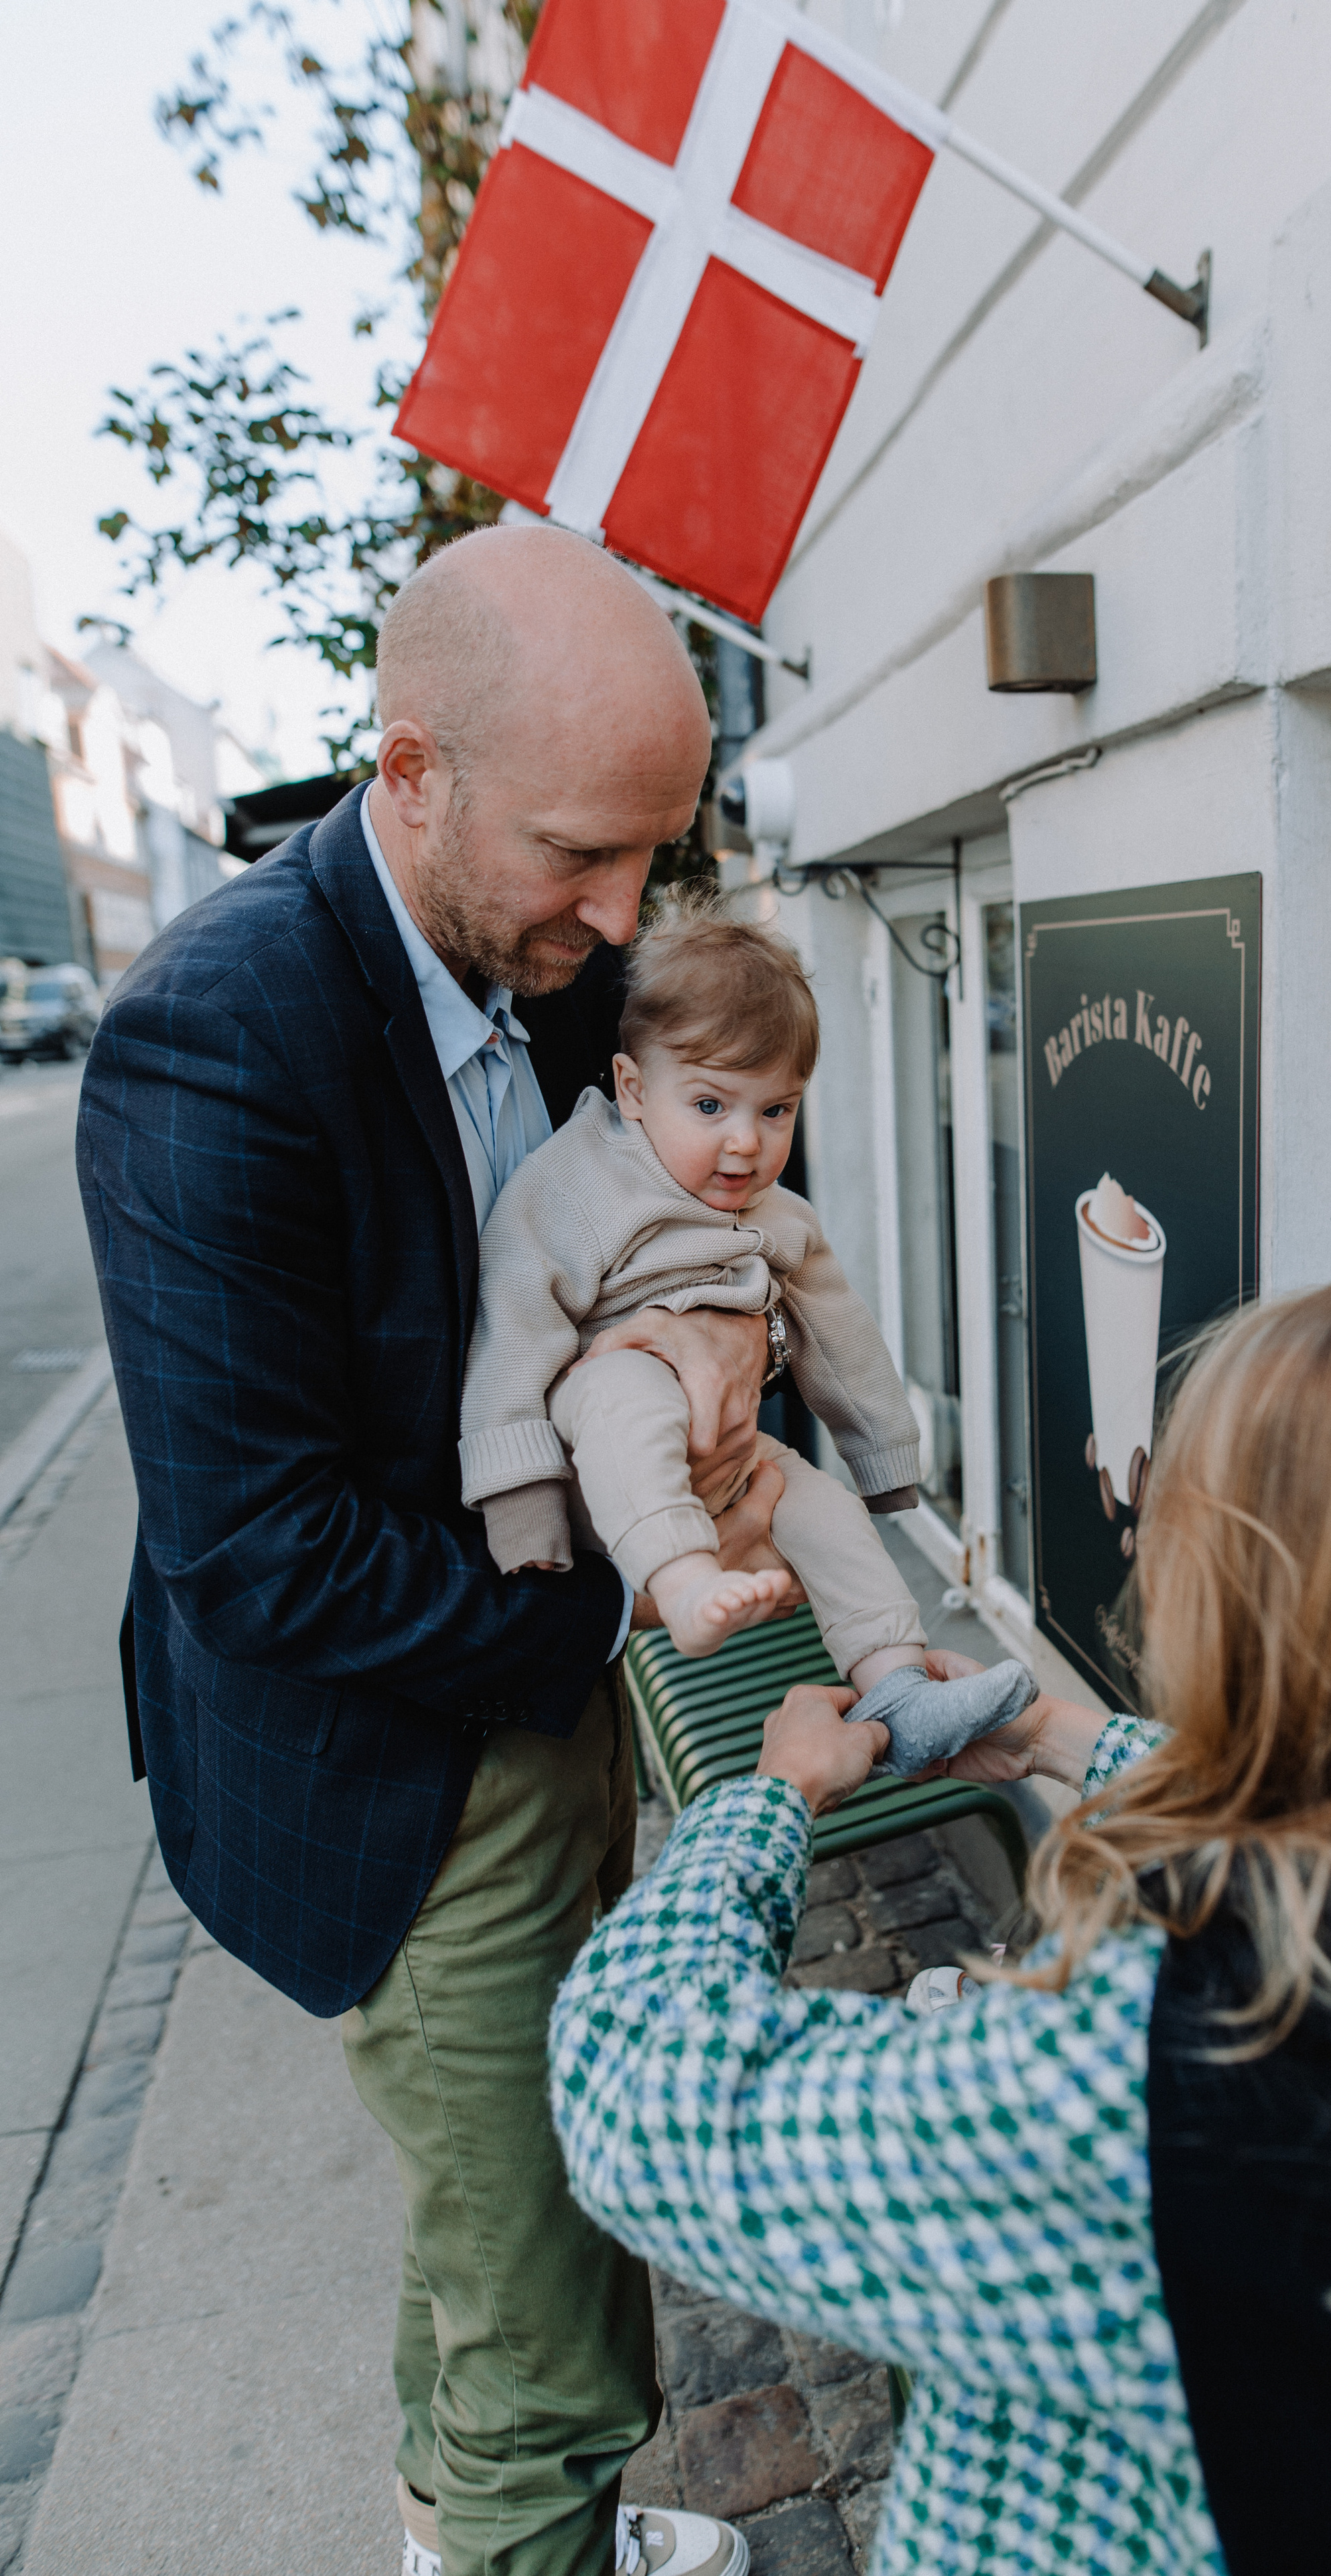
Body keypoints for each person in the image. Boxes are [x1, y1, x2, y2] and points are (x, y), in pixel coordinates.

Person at [548, 1266, 1331, 2574]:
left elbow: (639, 2091)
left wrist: (766, 1803)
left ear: (1242, 1596)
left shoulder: (1164, 2069)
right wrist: (1062, 1738)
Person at [76, 524, 781, 2576]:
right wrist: (620, 1596)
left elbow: (688, 1209)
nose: (626, 916)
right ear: (412, 773)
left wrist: (725, 1351)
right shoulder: (215, 1037)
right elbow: (255, 1551)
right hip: (400, 1770)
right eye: (582, 853)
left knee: (489, 2221)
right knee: (559, 2333)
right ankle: (519, 2529)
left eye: (657, 855)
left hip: (546, 1677)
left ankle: (443, 2525)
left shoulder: (555, 963)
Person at [460, 897, 1038, 1764]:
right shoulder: (575, 1185)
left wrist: (883, 1459)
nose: (746, 1144)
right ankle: (684, 1582)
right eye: (710, 1105)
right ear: (632, 1089)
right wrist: (523, 1515)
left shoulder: (779, 1215)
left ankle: (900, 1688)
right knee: (621, 1384)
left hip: (724, 1464)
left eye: (777, 1111)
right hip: (596, 1463)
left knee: (823, 1509)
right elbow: (512, 1333)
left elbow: (839, 1336)